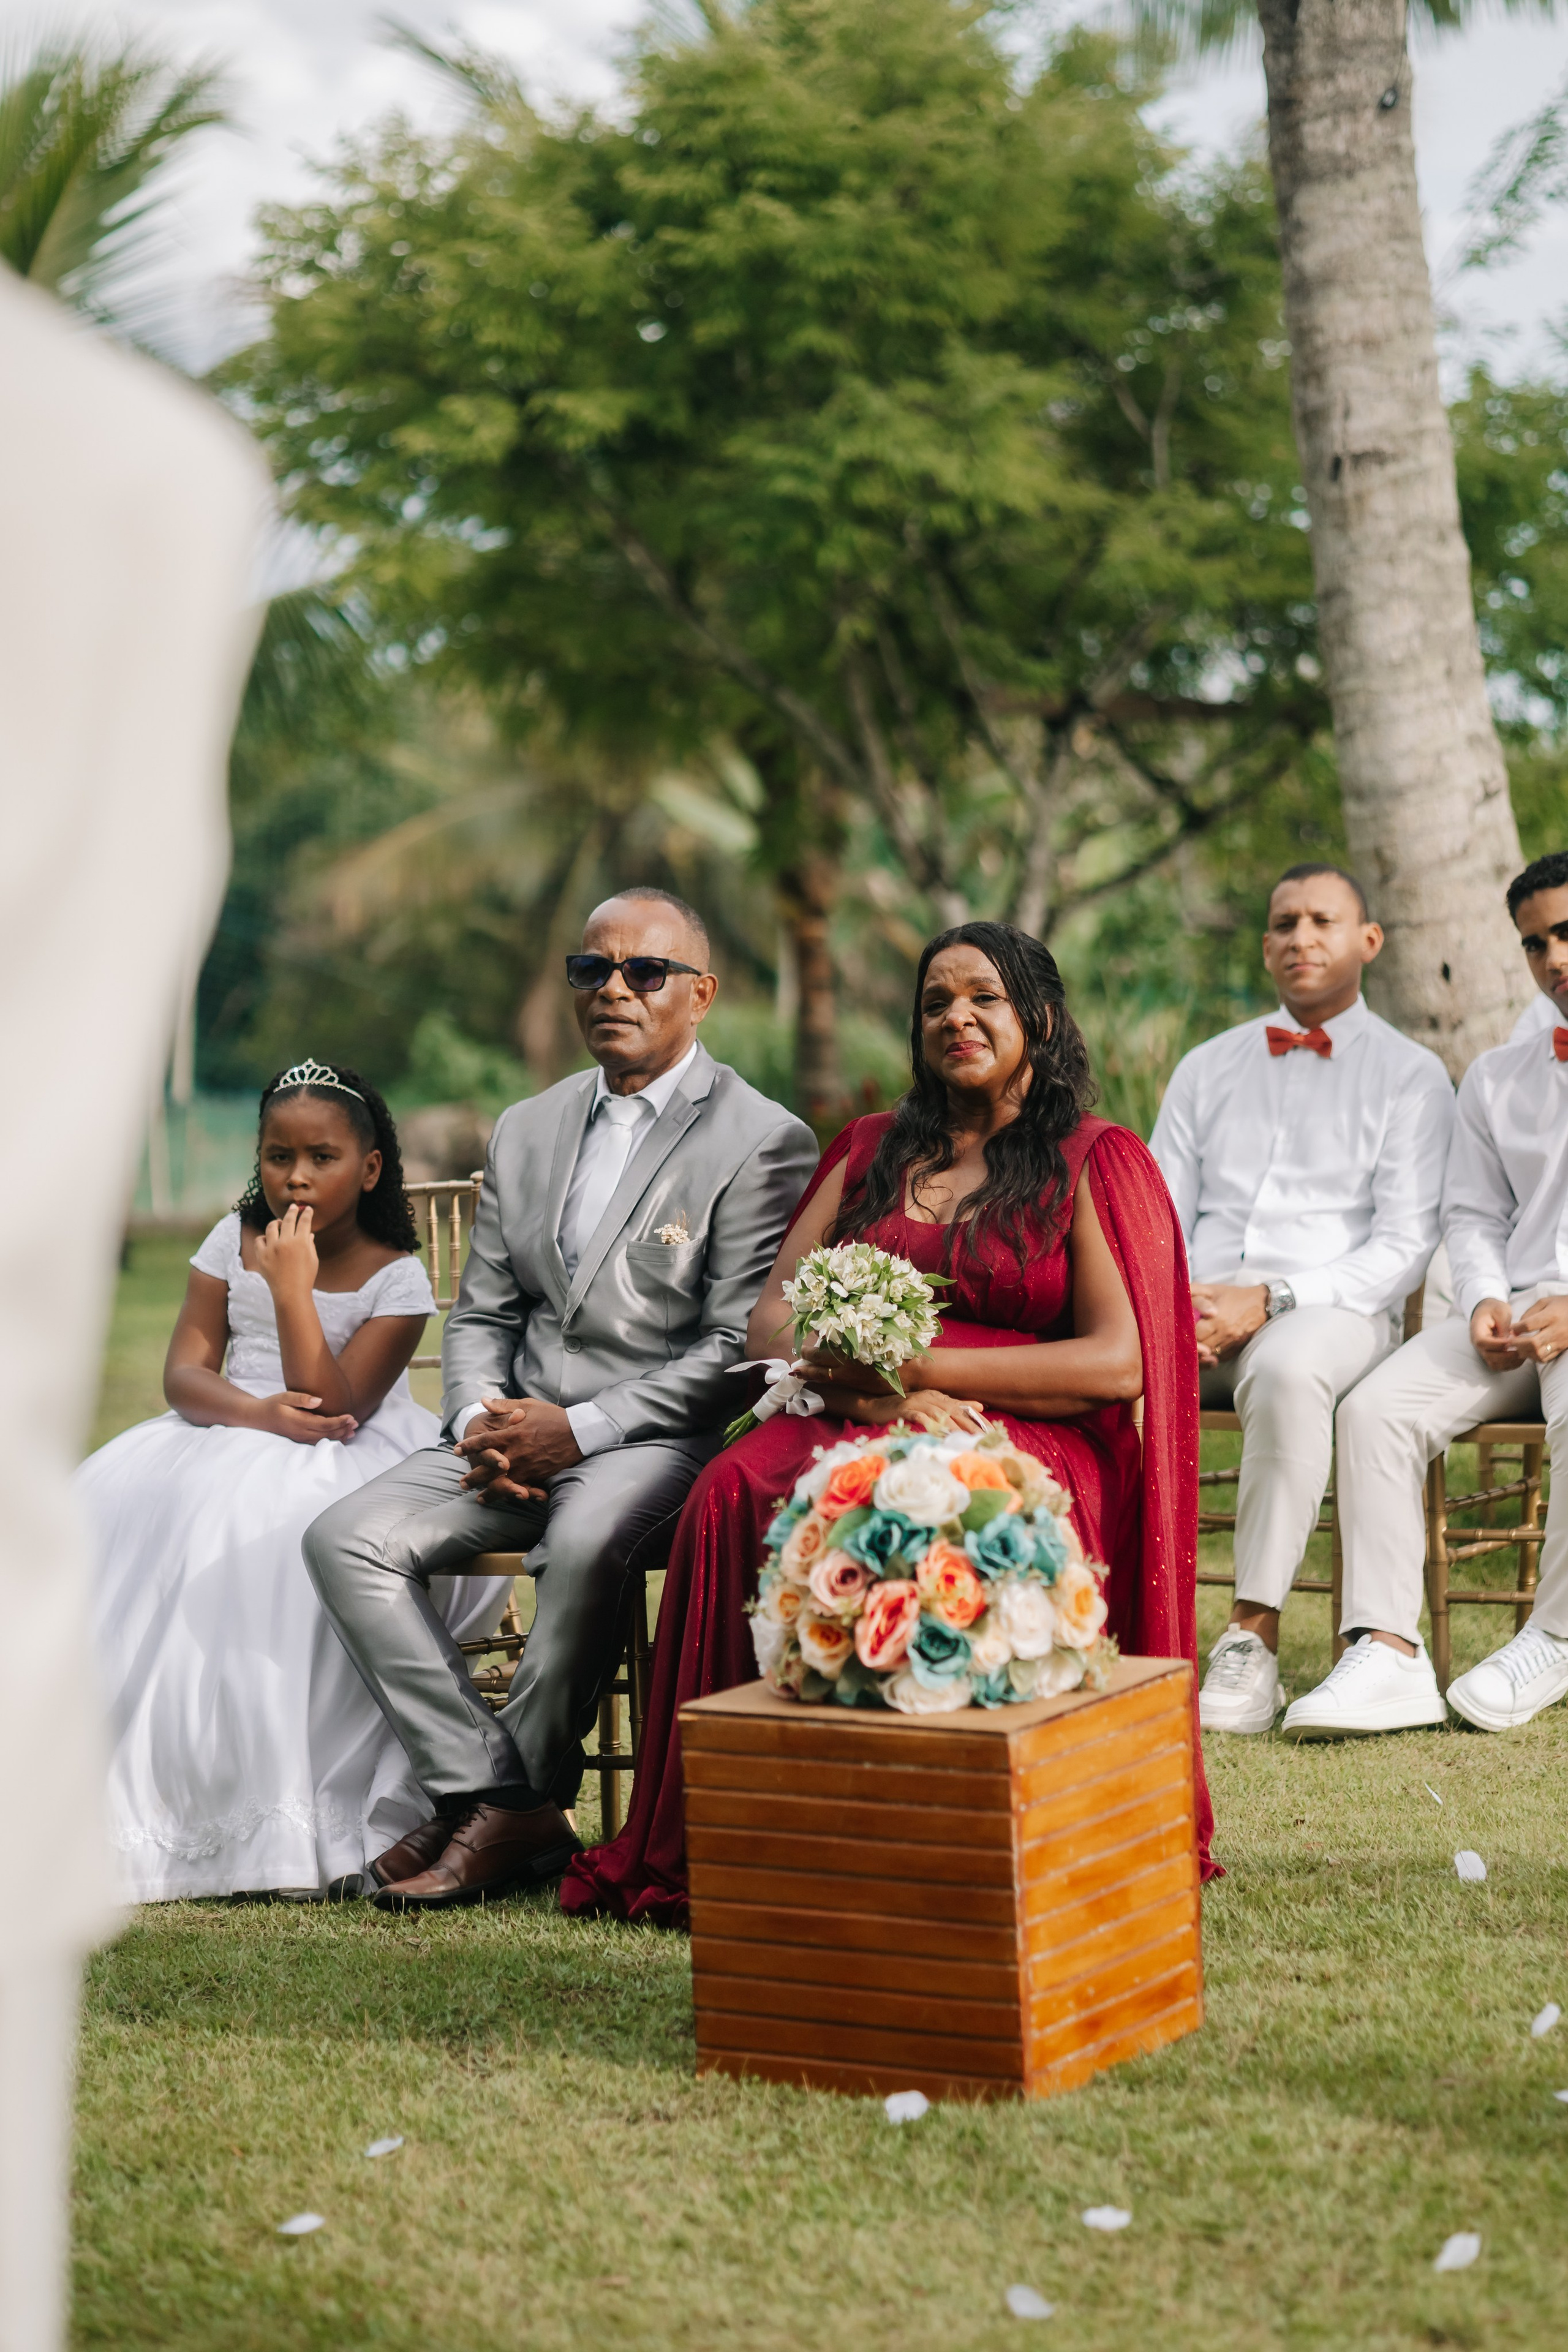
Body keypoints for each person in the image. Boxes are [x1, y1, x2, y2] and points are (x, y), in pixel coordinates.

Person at [562, 919, 1210, 1929]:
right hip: (859, 1404)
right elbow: (774, 1315)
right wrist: (875, 1393)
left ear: (1039, 1015)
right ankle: (735, 1833)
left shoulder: (1097, 1159)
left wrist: (926, 1368)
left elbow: (1117, 1363)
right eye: (935, 1002)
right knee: (737, 1487)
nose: (956, 1017)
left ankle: (929, 1833)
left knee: (942, 1496)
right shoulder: (870, 1149)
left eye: (983, 998)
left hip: (1037, 1429)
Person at [1, 262, 266, 2352]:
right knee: (160, 1484)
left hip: (337, 1444)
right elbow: (184, 1364)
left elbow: (363, 1373)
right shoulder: (134, 477)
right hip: (168, 1456)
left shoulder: (123, 484)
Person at [303, 891, 820, 1909]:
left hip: (656, 1442)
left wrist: (576, 1430)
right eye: (593, 971)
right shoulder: (530, 1125)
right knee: (345, 1538)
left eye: (645, 972)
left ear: (701, 994)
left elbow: (733, 1349)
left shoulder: (766, 1139)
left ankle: (490, 1818)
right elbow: (484, 1313)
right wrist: (477, 1422)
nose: (614, 989)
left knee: (584, 1544)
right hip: (507, 1430)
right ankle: (506, 1802)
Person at [77, 1062, 510, 1901]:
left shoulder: (399, 1275)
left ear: (371, 1167)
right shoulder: (228, 1238)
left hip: (351, 1447)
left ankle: (295, 1793)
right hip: (231, 1422)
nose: (297, 1178)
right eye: (278, 1157)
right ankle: (180, 1781)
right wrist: (257, 1415)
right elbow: (184, 1375)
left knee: (286, 1530)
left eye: (321, 1157)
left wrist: (292, 1289)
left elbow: (335, 1405)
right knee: (162, 1516)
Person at [1150, 865, 1454, 1737]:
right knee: (1090, 1363)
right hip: (1195, 1309)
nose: (1300, 938)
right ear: (1264, 944)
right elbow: (1156, 1212)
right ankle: (1099, 1619)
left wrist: (1271, 1297)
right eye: (1284, 922)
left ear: (1369, 941)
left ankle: (1252, 1641)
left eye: (1324, 920)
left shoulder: (1411, 1076)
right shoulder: (1208, 1067)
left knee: (1285, 1370)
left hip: (1335, 1314)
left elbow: (1402, 1248)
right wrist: (1177, 1306)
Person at [1308, 852, 1568, 1736]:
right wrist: (1489, 1297)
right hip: (1518, 1315)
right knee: (1375, 1409)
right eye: (1537, 944)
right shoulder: (1500, 1077)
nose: (1555, 958)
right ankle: (1388, 1651)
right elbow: (1474, 1212)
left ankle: (1558, 1635)